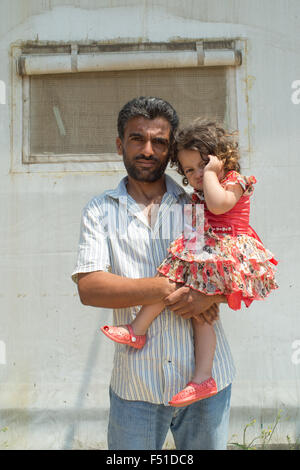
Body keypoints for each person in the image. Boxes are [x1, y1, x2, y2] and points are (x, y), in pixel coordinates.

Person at [72, 97, 235, 450]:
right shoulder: (100, 211)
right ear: (120, 145)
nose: (148, 150)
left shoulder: (200, 202)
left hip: (207, 383)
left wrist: (210, 294)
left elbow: (242, 269)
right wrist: (166, 288)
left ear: (171, 150)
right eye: (137, 139)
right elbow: (91, 287)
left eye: (159, 142)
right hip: (137, 388)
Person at [100, 118, 278, 409]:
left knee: (200, 308)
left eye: (201, 165)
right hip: (206, 251)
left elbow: (219, 205)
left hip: (230, 251)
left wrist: (211, 174)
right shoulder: (195, 197)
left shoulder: (234, 182)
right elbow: (194, 234)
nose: (196, 175)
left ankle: (201, 373)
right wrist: (183, 264)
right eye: (189, 170)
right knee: (174, 284)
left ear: (220, 159)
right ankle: (145, 336)